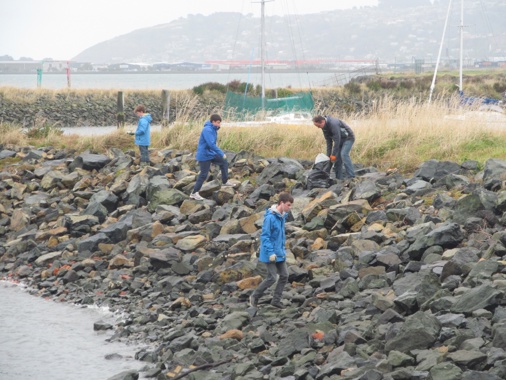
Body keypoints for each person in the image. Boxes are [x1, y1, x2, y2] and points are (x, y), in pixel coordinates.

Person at [249, 192, 294, 309]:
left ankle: (276, 300)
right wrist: (271, 253)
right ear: (281, 203)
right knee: (272, 277)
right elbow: (265, 237)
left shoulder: (282, 216)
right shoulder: (270, 218)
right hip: (270, 254)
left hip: (279, 252)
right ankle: (254, 296)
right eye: (288, 205)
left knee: (284, 275)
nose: (290, 208)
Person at [190, 114, 235, 201]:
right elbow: (211, 144)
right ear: (213, 122)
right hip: (204, 155)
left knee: (224, 162)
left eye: (219, 123)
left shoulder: (213, 129)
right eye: (218, 123)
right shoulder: (207, 129)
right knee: (203, 174)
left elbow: (212, 145)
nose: (219, 124)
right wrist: (221, 153)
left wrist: (219, 155)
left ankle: (225, 182)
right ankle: (194, 193)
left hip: (210, 153)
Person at [312, 115, 355, 180]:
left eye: (318, 126)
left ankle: (351, 176)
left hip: (348, 138)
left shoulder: (333, 123)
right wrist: (328, 156)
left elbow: (337, 140)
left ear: (322, 122)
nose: (318, 128)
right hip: (340, 140)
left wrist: (334, 154)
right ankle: (339, 179)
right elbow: (329, 142)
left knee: (343, 154)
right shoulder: (324, 127)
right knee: (337, 159)